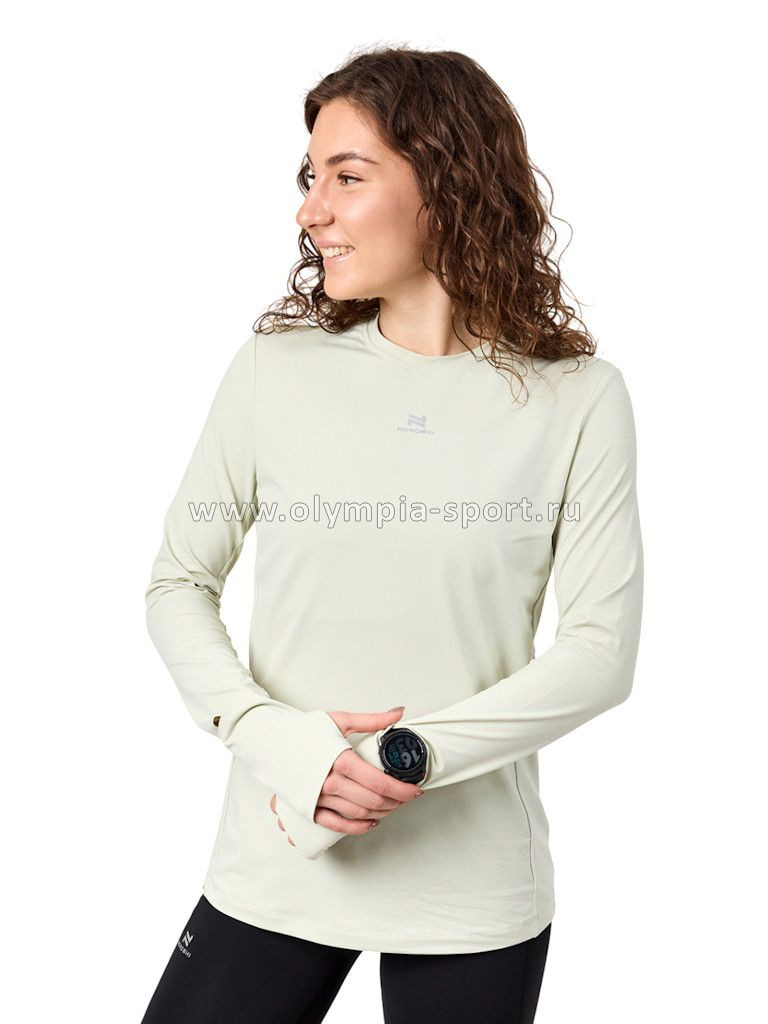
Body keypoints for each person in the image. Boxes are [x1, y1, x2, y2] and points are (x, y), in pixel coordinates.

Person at [140, 45, 643, 1023]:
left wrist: (402, 755)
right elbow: (177, 583)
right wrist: (280, 742)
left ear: (446, 186)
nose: (309, 209)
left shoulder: (580, 400)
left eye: (347, 176)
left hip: (472, 892)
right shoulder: (274, 373)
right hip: (280, 851)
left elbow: (599, 652)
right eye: (309, 177)